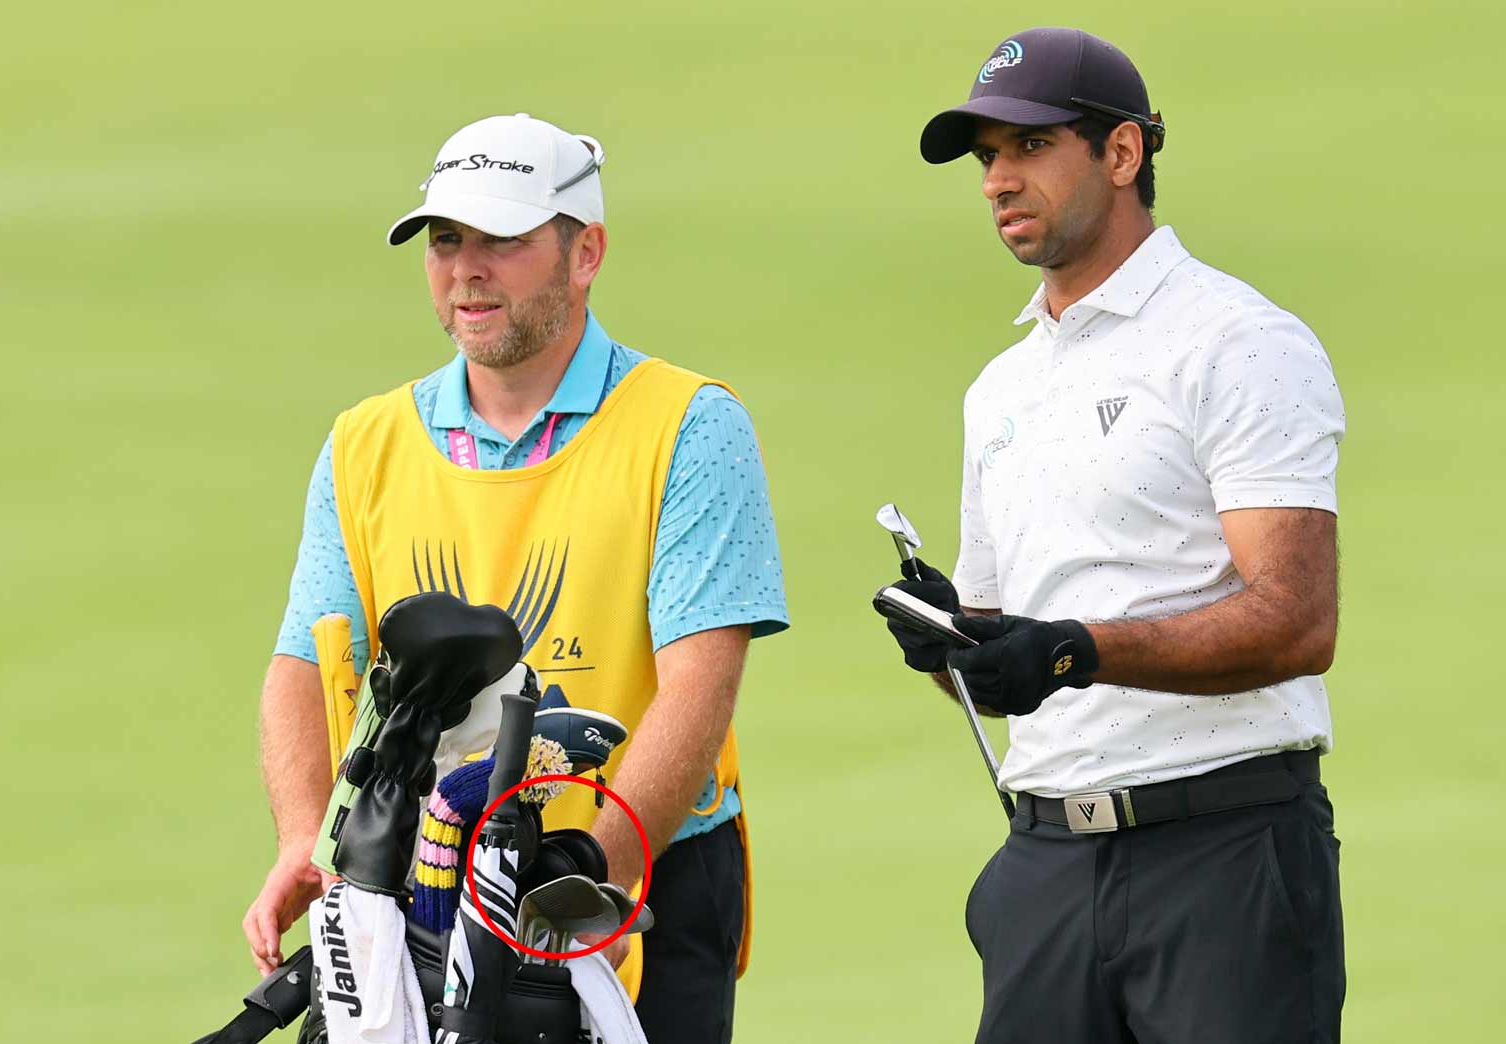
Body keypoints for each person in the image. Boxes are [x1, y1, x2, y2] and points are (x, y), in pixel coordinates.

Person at [241, 112, 787, 1043]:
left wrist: (592, 884)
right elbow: (303, 657)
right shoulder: (363, 442)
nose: (466, 270)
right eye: (445, 241)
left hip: (637, 872)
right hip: (423, 883)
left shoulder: (690, 425)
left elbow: (701, 685)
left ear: (587, 254)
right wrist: (303, 833)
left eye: (503, 240)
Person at [884, 27, 1348, 1044]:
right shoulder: (1002, 387)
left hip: (1222, 853)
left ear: (1122, 153)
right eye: (985, 159)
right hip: (1046, 863)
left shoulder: (1239, 342)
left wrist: (1073, 651)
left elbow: (1294, 622)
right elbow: (1018, 651)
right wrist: (954, 642)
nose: (997, 181)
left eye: (1028, 147)